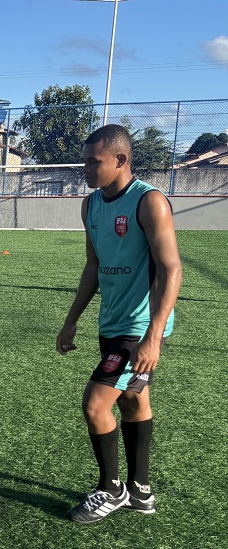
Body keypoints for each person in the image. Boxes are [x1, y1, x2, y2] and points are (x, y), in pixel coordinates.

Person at [56, 124, 182, 523]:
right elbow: (93, 266)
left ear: (120, 159)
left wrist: (154, 337)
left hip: (140, 327)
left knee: (95, 404)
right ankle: (140, 491)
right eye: (84, 162)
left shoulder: (149, 201)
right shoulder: (90, 205)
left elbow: (171, 269)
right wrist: (71, 321)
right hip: (111, 322)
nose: (86, 169)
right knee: (132, 399)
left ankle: (111, 489)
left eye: (94, 162)